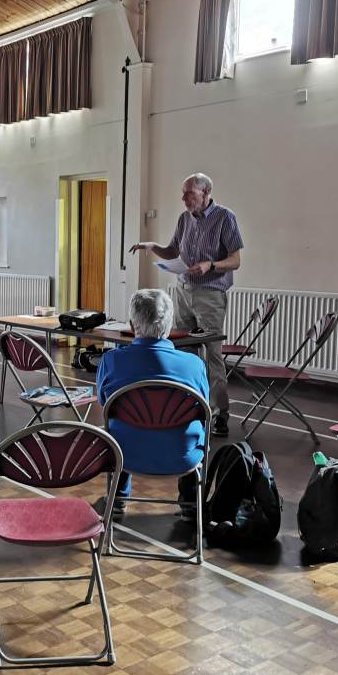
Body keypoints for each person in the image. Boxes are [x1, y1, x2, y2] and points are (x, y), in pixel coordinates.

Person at [129, 172, 243, 437]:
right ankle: (189, 406)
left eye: (189, 194)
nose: (184, 199)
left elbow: (235, 260)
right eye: (183, 194)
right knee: (184, 351)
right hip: (183, 291)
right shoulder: (184, 218)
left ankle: (219, 414)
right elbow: (173, 251)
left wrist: (210, 265)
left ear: (206, 193)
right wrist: (151, 246)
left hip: (210, 294)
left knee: (212, 354)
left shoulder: (225, 218)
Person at [97, 289, 209, 519]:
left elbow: (104, 402)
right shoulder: (194, 364)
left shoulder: (112, 361)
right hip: (182, 455)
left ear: (132, 324)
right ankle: (190, 503)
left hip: (126, 453)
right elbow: (204, 410)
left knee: (117, 424)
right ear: (169, 326)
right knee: (197, 426)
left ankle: (117, 499)